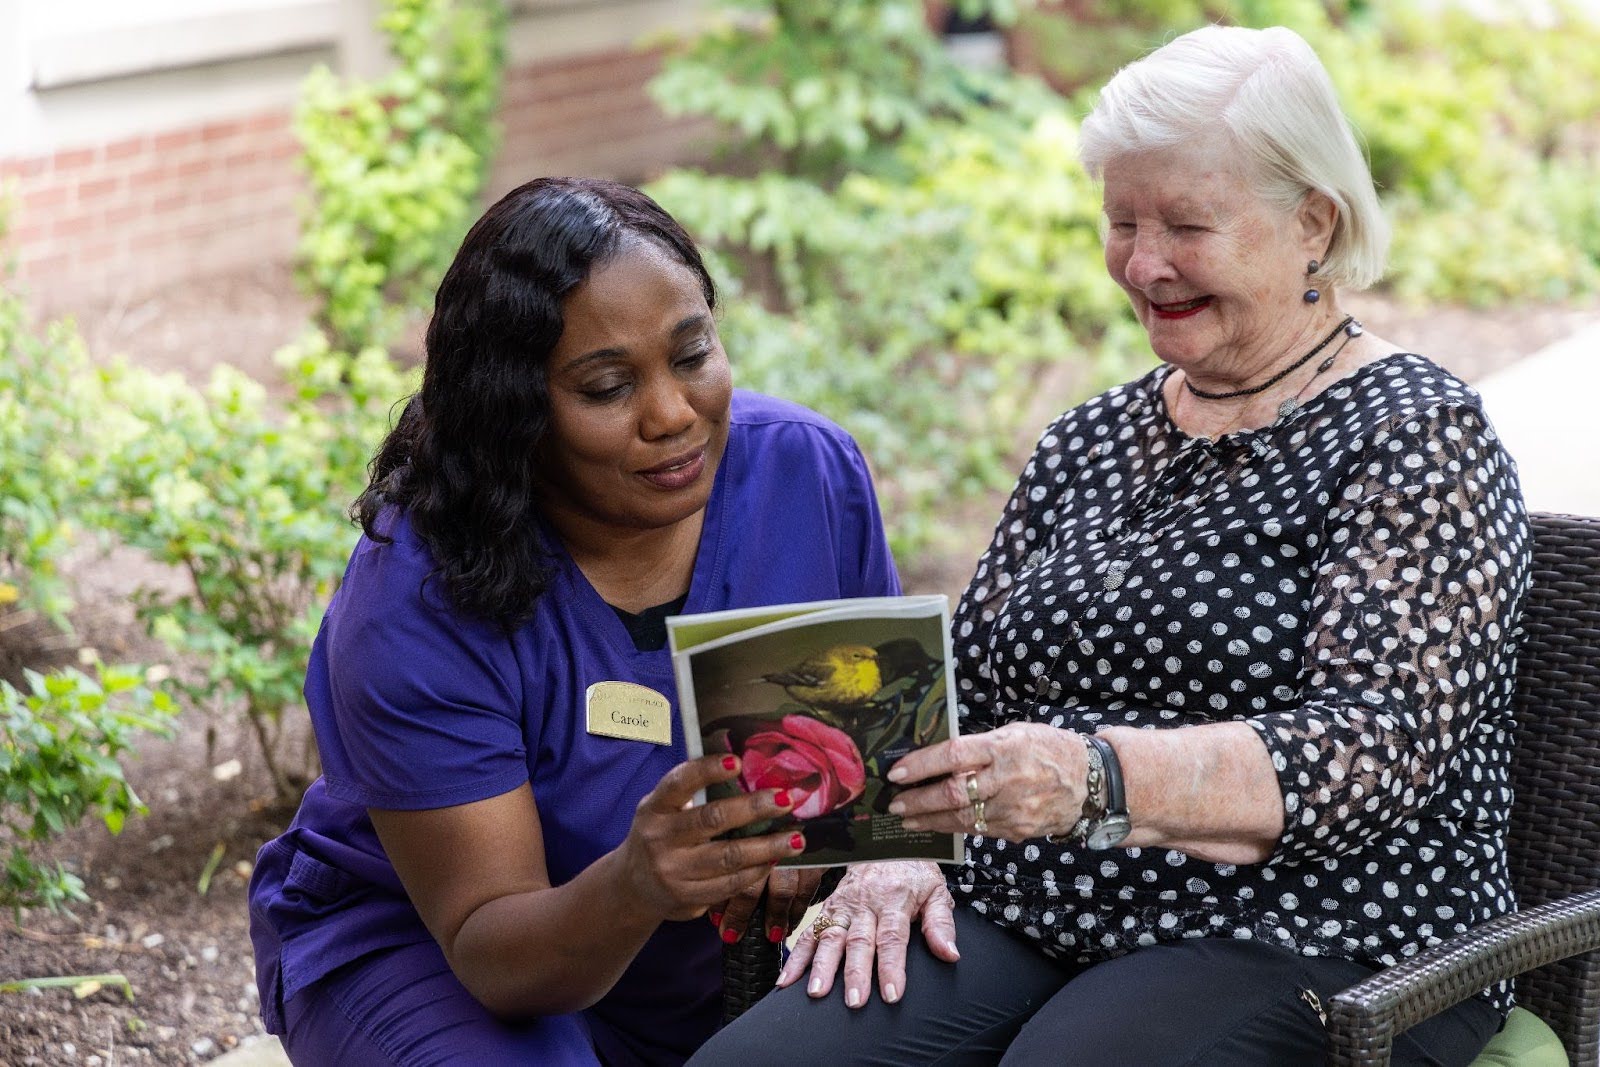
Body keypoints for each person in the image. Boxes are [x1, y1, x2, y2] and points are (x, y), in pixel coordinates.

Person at [693, 24, 1528, 1066]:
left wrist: (1099, 778)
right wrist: (892, 850)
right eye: (1121, 219)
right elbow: (971, 685)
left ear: (1312, 221)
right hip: (1043, 900)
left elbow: (1370, 747)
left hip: (1312, 930)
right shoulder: (1092, 434)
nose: (1141, 262)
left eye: (1185, 223)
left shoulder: (1415, 435)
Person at [246, 176, 901, 1065]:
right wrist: (635, 883)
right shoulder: (418, 592)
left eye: (693, 353)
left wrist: (855, 856)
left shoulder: (804, 477)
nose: (672, 414)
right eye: (606, 387)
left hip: (705, 957)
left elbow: (875, 775)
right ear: (513, 413)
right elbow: (493, 950)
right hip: (443, 949)